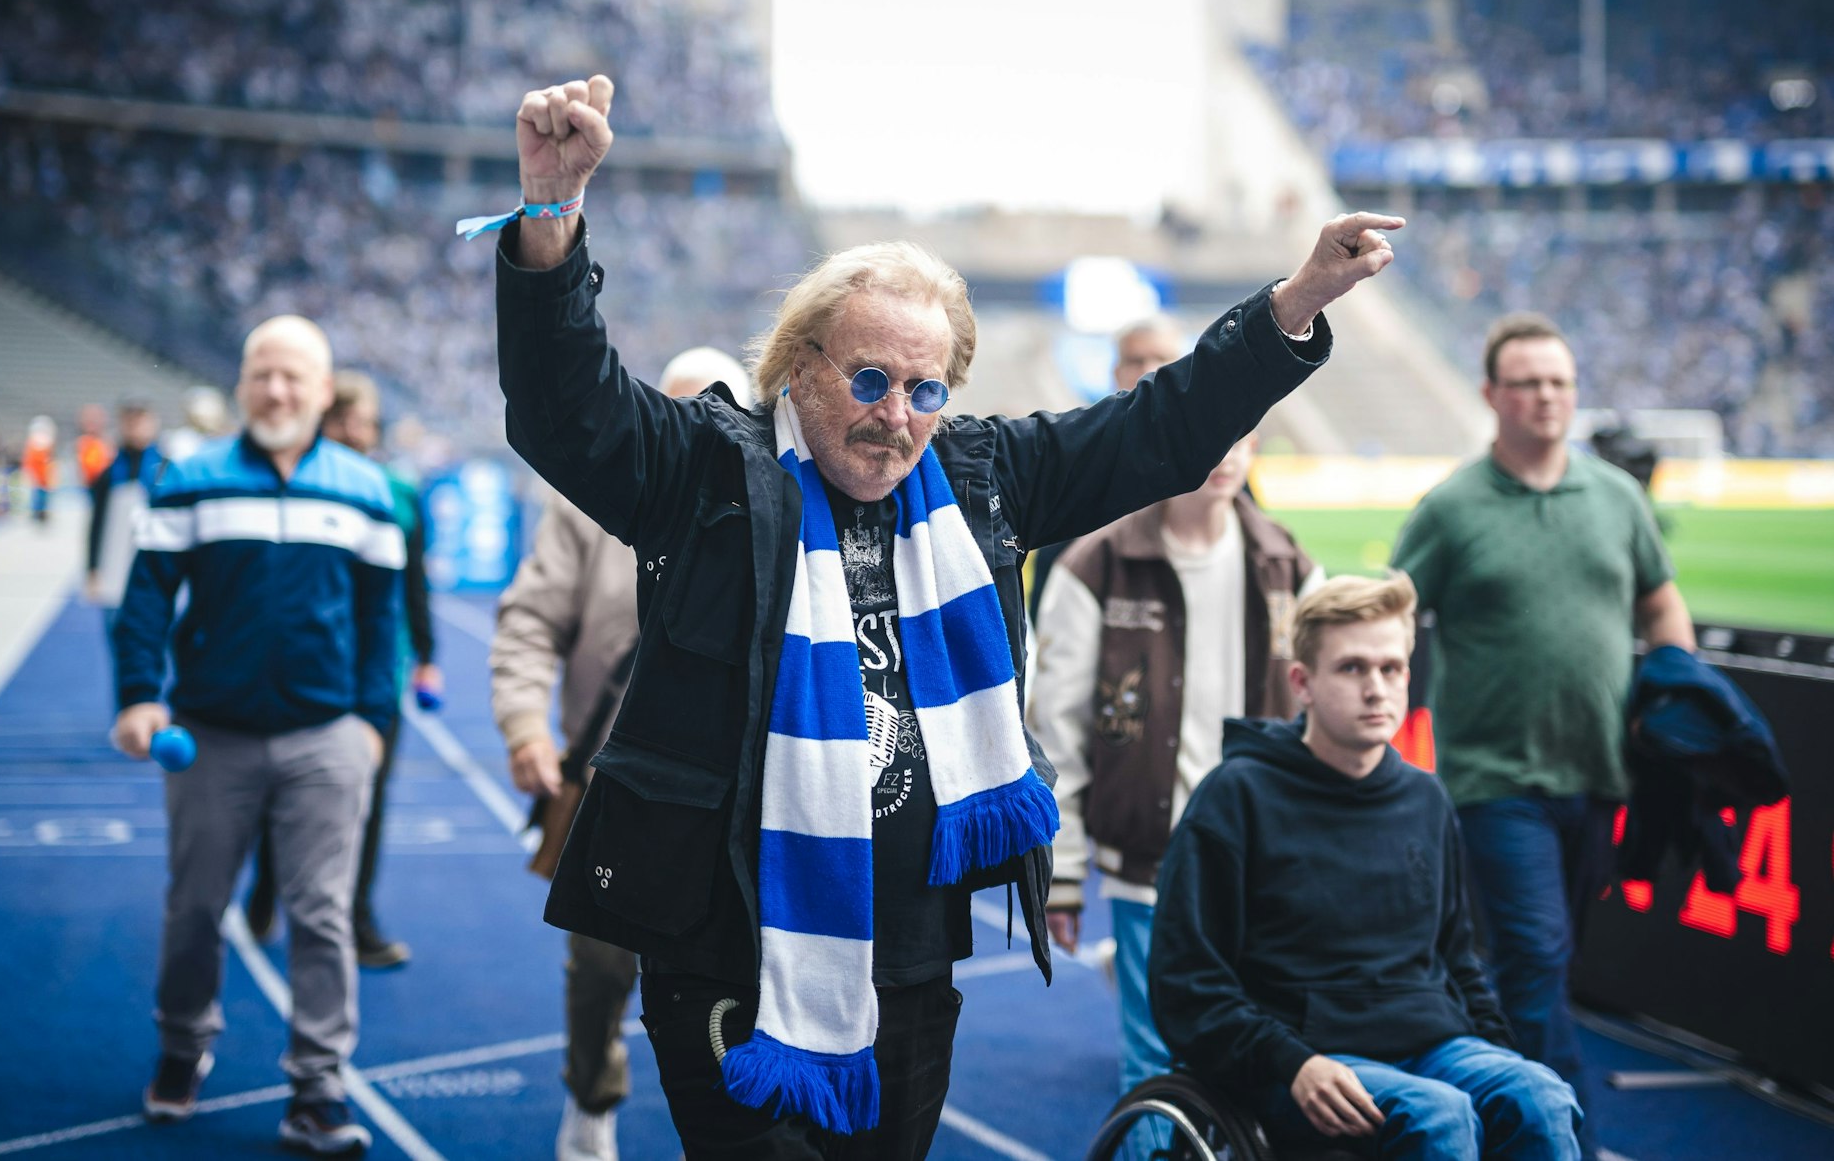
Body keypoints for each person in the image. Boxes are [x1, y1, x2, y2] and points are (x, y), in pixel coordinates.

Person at [486, 74, 1398, 1157]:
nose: (896, 416)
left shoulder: (982, 477)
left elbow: (1158, 428)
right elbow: (568, 409)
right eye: (870, 378)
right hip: (724, 941)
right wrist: (550, 217)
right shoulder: (708, 472)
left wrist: (1294, 302)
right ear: (799, 364)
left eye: (925, 389)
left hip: (914, 951)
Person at [1390, 313, 1694, 1158]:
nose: (1547, 396)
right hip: (1495, 781)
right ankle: (1564, 1138)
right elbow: (1394, 610)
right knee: (1533, 958)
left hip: (1597, 774)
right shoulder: (1452, 506)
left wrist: (1679, 685)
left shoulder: (1616, 496)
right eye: (1527, 382)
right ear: (1492, 395)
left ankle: (1494, 1108)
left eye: (1559, 381)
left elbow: (1661, 599)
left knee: (1548, 963)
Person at [1148, 574, 1581, 1159]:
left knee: (1540, 1096)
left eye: (1391, 668)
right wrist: (1292, 1063)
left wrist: (1503, 1055)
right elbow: (1186, 983)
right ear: (1302, 683)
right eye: (1352, 668)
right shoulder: (1235, 797)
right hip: (1297, 1057)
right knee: (1438, 1116)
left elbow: (1457, 960)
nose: (1376, 689)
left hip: (1432, 1043)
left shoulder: (1426, 799)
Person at [111, 314, 402, 1157]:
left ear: (322, 390)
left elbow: (382, 621)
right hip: (210, 736)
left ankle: (317, 1086)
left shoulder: (366, 488)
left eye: (293, 376)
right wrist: (139, 695)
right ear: (241, 385)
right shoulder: (190, 478)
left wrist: (371, 724)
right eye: (262, 374)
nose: (276, 390)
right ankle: (181, 1045)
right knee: (194, 908)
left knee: (322, 915)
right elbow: (144, 598)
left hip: (326, 738)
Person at [492, 346, 752, 1161]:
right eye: (681, 407)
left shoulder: (776, 508)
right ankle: (592, 1095)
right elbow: (531, 618)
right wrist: (525, 724)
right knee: (603, 966)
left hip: (731, 791)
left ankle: (732, 1125)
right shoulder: (588, 504)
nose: (701, 425)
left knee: (731, 974)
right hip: (614, 781)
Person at [1028, 429, 1321, 1142]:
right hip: (1147, 864)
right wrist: (1062, 872)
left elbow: (1321, 714)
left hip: (1262, 866)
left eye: (1242, 436)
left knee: (1260, 1058)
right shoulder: (1098, 563)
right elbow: (1056, 731)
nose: (1224, 451)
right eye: (1212, 432)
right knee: (1154, 1064)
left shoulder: (1286, 562)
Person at [246, 369, 440, 968]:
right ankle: (266, 886)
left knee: (368, 797)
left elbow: (414, 581)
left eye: (367, 423)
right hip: (309, 666)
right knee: (286, 786)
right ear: (324, 422)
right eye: (347, 421)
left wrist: (427, 656)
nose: (358, 433)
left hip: (377, 670)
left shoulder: (398, 492)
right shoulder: (293, 484)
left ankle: (357, 919)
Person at [1023, 316, 1186, 623]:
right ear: (1116, 372)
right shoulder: (1081, 450)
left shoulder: (1216, 456)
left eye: (1162, 358)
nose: (1148, 369)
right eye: (1135, 360)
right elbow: (1052, 560)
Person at [84, 398, 166, 639]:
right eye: (129, 419)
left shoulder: (166, 470)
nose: (134, 425)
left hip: (155, 576)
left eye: (140, 418)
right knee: (117, 638)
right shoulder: (110, 472)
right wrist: (92, 567)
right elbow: (96, 523)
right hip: (115, 570)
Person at [21, 414, 56, 526]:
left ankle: (42, 514)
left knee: (43, 498)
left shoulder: (44, 448)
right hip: (37, 479)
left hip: (44, 479)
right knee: (37, 498)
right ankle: (37, 514)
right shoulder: (33, 448)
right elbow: (29, 463)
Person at [76, 402, 114, 487]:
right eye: (88, 417)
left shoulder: (109, 446)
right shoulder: (78, 446)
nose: (91, 421)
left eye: (95, 417)